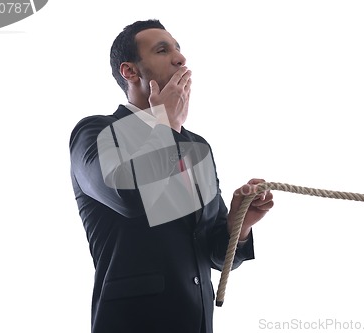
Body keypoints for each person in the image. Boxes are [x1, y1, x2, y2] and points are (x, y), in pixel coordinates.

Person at [69, 19, 274, 333]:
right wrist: (165, 125)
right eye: (163, 50)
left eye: (178, 49)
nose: (180, 58)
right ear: (130, 71)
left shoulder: (196, 146)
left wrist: (239, 221)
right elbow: (130, 196)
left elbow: (215, 254)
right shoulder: (95, 132)